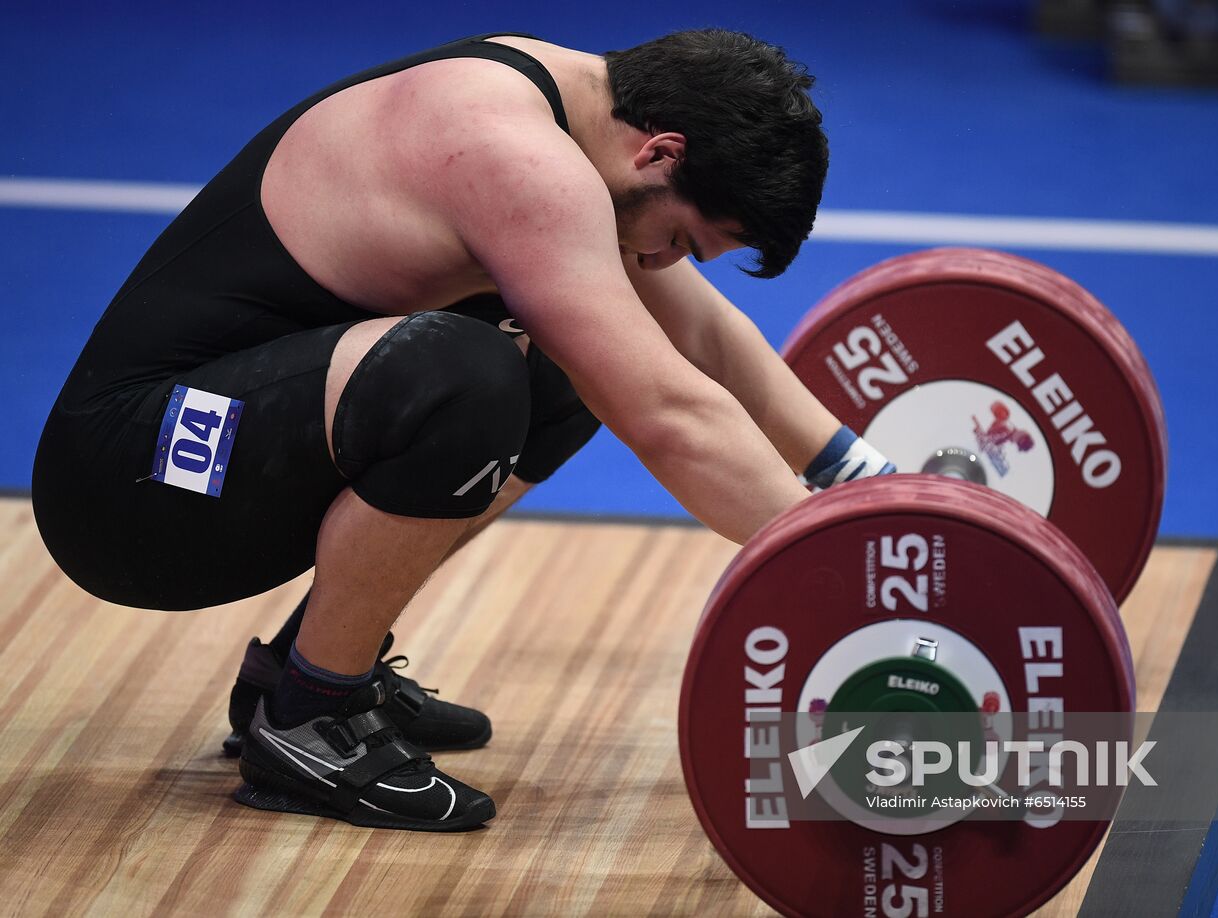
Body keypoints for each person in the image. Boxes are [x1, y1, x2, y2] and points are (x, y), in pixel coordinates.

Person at [31, 30, 894, 832]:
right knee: (465, 377)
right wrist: (855, 575)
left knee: (558, 374)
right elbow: (670, 414)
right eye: (678, 237)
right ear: (661, 152)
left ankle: (313, 664)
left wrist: (873, 487)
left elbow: (701, 335)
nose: (664, 260)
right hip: (139, 481)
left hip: (230, 435)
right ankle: (312, 718)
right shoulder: (517, 161)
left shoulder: (578, 106)